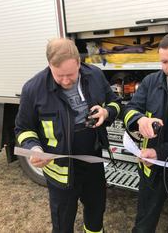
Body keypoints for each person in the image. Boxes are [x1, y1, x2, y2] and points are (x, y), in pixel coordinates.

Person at [15, 38, 121, 233]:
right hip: (60, 171)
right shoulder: (33, 90)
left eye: (70, 75)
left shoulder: (95, 76)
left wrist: (107, 113)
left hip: (92, 161)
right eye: (59, 75)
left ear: (79, 63)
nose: (65, 81)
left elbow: (115, 103)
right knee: (63, 222)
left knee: (96, 211)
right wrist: (34, 149)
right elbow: (23, 129)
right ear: (49, 65)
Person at [124, 32, 168, 233]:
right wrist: (140, 120)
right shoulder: (150, 82)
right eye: (164, 62)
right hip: (152, 168)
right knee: (144, 222)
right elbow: (128, 110)